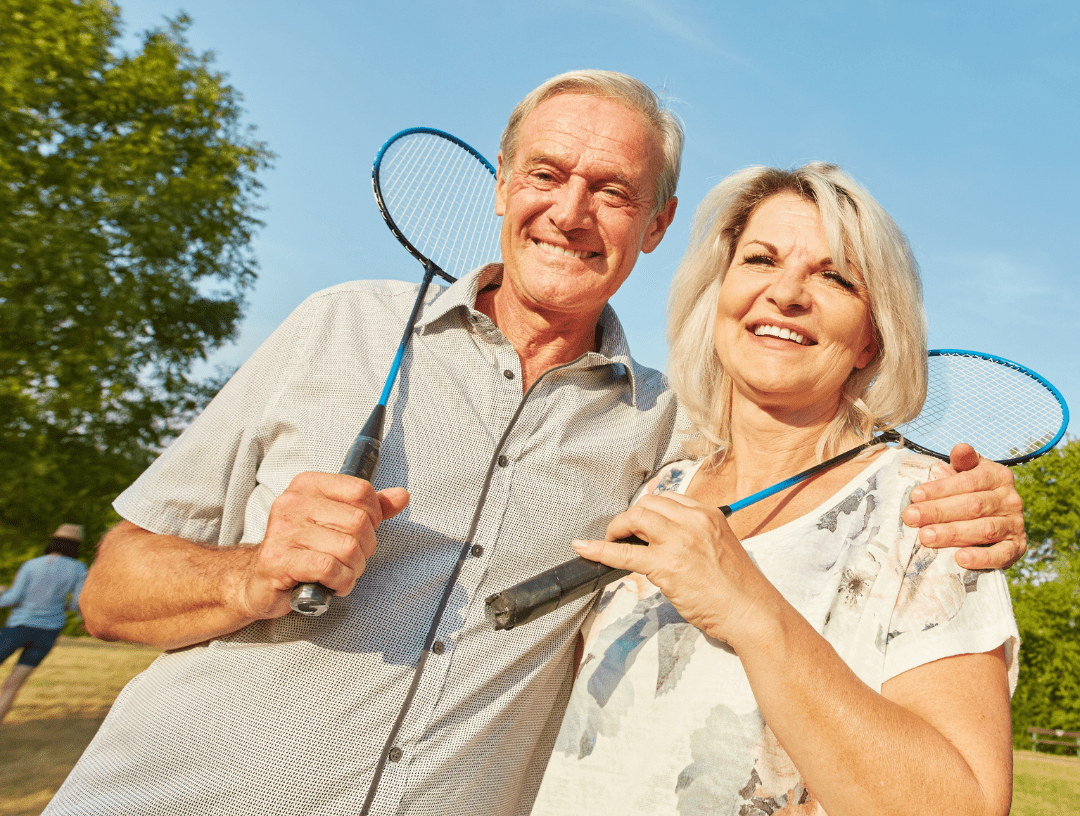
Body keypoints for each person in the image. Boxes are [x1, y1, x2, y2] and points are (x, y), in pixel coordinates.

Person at [47, 74, 1024, 816]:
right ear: (504, 183)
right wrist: (248, 573)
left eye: (611, 190)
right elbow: (109, 592)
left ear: (657, 224)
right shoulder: (337, 327)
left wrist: (975, 502)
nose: (569, 211)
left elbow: (814, 462)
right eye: (547, 174)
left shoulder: (660, 433)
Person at [533, 163, 1018, 816]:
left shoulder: (930, 518)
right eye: (760, 260)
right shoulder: (658, 483)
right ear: (721, 290)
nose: (787, 294)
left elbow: (965, 807)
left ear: (872, 337)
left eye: (835, 276)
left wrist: (752, 608)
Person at [0, 524, 88, 724]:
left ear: (53, 541)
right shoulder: (79, 569)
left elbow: (11, 598)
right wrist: (59, 606)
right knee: (13, 684)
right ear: (76, 546)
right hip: (47, 633)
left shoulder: (32, 565)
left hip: (19, 627)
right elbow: (76, 603)